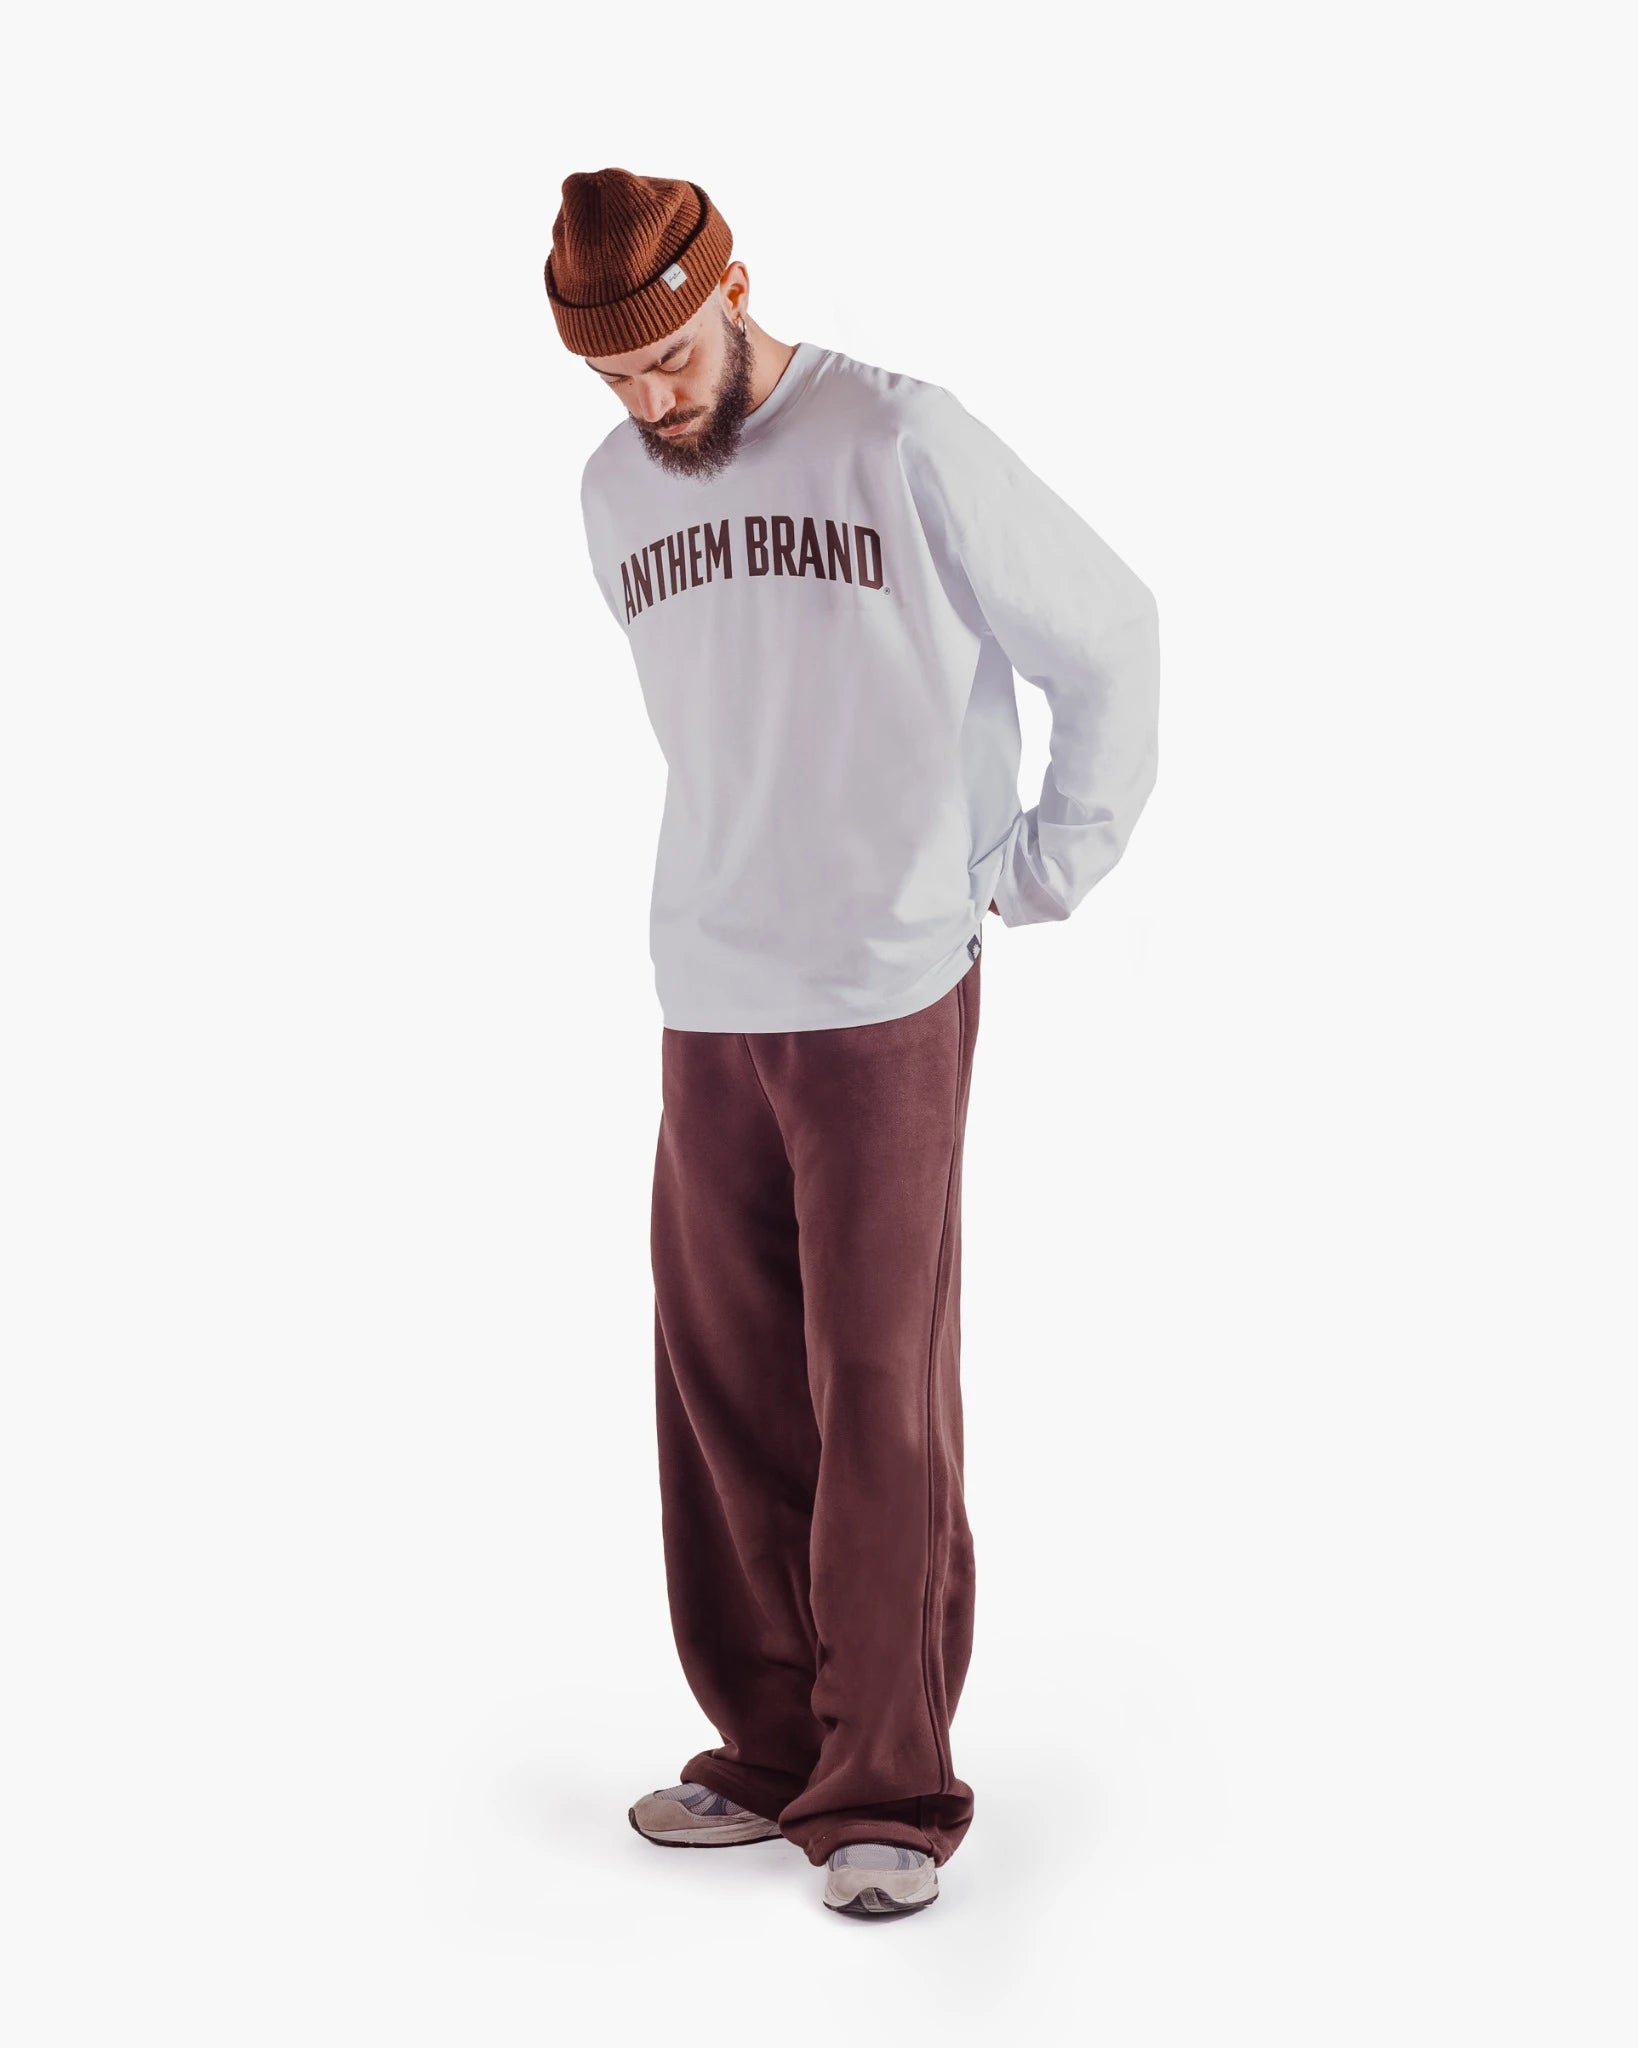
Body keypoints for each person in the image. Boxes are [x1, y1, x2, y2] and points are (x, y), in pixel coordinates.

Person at [547, 166, 1160, 1918]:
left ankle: (885, 1782)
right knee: (724, 1391)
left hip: (885, 982)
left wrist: (1040, 864)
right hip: (704, 984)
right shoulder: (610, 493)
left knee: (875, 1391)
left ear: (732, 286)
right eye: (613, 376)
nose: (649, 398)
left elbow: (1110, 632)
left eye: (668, 356)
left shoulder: (899, 437)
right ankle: (766, 1751)